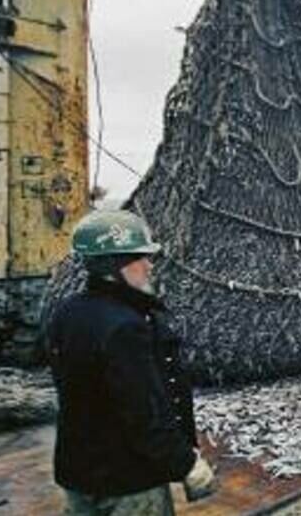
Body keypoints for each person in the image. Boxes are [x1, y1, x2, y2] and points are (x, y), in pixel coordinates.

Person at [47, 210, 215, 515]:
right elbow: (144, 411)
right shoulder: (126, 326)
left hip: (78, 473)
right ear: (114, 266)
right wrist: (185, 463)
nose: (150, 266)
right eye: (141, 257)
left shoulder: (67, 312)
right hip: (128, 481)